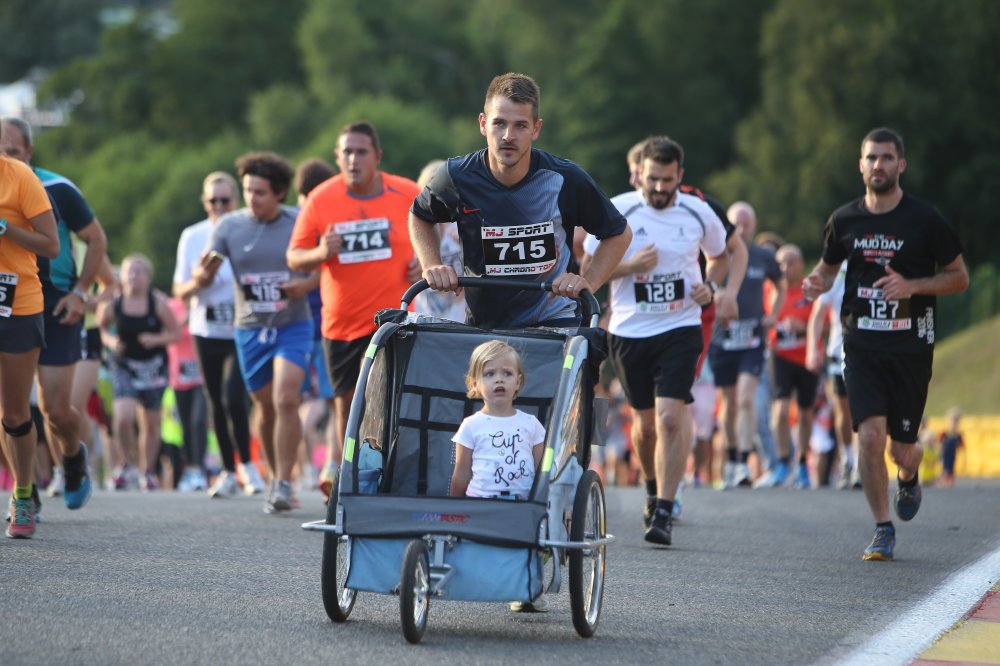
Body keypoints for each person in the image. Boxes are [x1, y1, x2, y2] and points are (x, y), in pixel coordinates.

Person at [803, 127, 968, 561]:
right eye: (872, 158)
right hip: (861, 342)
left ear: (901, 165)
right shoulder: (844, 219)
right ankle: (882, 527)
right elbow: (827, 269)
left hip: (912, 342)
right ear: (861, 165)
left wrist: (912, 286)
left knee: (901, 449)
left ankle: (909, 476)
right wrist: (815, 283)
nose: (879, 165)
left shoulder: (925, 219)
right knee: (871, 437)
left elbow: (959, 277)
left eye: (887, 158)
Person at [581, 137, 729, 546]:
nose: (660, 188)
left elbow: (721, 256)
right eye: (653, 180)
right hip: (630, 331)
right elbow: (589, 268)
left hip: (681, 327)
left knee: (669, 418)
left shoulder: (697, 211)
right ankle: (651, 487)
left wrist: (711, 287)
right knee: (645, 427)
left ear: (680, 175)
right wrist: (629, 265)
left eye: (668, 180)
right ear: (639, 175)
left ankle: (664, 507)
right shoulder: (620, 209)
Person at [409, 72, 632, 329]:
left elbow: (619, 233)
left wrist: (588, 282)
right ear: (483, 124)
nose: (508, 135)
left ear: (536, 129)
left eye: (520, 126)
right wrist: (432, 264)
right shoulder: (457, 176)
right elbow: (419, 216)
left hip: (556, 321)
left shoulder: (565, 178)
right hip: (485, 326)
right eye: (499, 123)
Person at [287, 122, 421, 501]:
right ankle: (346, 478)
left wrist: (423, 261)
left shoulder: (407, 192)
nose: (353, 159)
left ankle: (391, 477)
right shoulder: (320, 199)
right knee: (347, 404)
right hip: (341, 324)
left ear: (377, 156)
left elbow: (437, 230)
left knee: (391, 400)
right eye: (346, 152)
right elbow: (294, 256)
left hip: (393, 319)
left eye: (361, 151)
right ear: (337, 157)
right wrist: (321, 252)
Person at [2, 117, 109, 510]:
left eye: (13, 151)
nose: (6, 158)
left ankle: (73, 456)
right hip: (8, 298)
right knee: (10, 410)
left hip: (55, 303)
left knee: (56, 410)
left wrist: (80, 293)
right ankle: (24, 489)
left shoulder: (58, 188)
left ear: (29, 151)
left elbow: (96, 240)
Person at [204, 152, 315, 513]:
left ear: (279, 193)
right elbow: (203, 274)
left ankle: (284, 482)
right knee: (265, 407)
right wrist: (202, 274)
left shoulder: (298, 222)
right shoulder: (229, 227)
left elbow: (325, 267)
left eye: (260, 192)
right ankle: (272, 475)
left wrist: (304, 286)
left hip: (292, 325)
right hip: (250, 329)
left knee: (287, 399)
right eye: (248, 190)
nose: (252, 198)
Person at [173, 172, 260, 498]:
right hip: (206, 329)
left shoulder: (248, 229)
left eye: (225, 200)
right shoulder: (193, 236)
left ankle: (247, 464)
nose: (219, 206)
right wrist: (199, 281)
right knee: (215, 403)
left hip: (242, 326)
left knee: (234, 396)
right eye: (213, 201)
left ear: (236, 200)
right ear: (204, 202)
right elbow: (179, 290)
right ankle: (227, 471)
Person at [450, 340, 546, 612]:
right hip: (481, 503)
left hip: (522, 505)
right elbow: (461, 472)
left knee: (529, 540)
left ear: (518, 382)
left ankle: (528, 585)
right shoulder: (471, 425)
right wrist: (454, 508)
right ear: (475, 383)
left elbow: (542, 471)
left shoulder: (531, 424)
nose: (499, 380)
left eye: (507, 373)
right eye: (489, 374)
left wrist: (551, 505)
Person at [0, 123, 60, 537]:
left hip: (16, 304)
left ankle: (23, 494)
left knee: (14, 413)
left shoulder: (19, 176)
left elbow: (51, 245)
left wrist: (6, 229)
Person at [708, 202, 785, 489]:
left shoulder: (764, 257)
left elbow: (781, 286)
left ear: (754, 226)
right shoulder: (716, 254)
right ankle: (731, 459)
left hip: (752, 339)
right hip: (721, 339)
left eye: (746, 224)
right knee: (728, 404)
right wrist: (714, 298)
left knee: (744, 399)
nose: (741, 229)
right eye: (735, 224)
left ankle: (742, 461)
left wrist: (773, 314)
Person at [98, 253, 180, 490]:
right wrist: (111, 342)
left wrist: (156, 339)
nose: (134, 276)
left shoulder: (158, 304)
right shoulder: (114, 304)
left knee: (151, 423)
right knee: (123, 417)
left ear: (148, 277)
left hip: (153, 367)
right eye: (130, 272)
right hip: (124, 365)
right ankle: (128, 464)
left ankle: (148, 471)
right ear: (122, 277)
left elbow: (175, 333)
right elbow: (102, 329)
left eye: (140, 272)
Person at [765, 244, 820, 489]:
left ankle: (803, 462)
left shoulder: (810, 289)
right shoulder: (769, 289)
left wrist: (803, 327)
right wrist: (771, 332)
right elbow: (762, 320)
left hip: (807, 358)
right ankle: (783, 462)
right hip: (781, 358)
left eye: (790, 262)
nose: (785, 267)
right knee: (780, 410)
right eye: (780, 263)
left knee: (806, 413)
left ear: (800, 264)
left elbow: (826, 324)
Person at [806, 260, 860, 489]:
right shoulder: (840, 270)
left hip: (870, 352)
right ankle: (848, 458)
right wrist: (812, 349)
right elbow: (818, 314)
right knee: (843, 411)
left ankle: (861, 465)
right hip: (839, 351)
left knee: (865, 411)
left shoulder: (881, 261)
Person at [936, 408, 963, 488]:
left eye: (956, 421)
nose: (954, 423)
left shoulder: (958, 435)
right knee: (945, 468)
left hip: (952, 455)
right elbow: (938, 442)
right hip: (945, 454)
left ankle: (949, 481)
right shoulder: (945, 433)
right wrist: (939, 451)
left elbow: (961, 446)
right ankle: (941, 481)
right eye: (953, 421)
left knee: (951, 468)